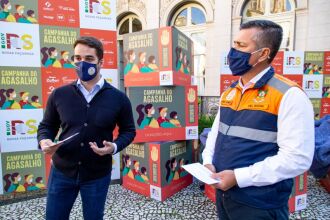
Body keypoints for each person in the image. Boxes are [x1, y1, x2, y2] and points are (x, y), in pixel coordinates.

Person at [202, 20, 314, 220]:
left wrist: (238, 177)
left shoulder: (289, 95)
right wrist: (208, 162)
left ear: (263, 53)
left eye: (242, 46)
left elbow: (298, 159)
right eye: (234, 44)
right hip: (225, 195)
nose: (233, 51)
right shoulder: (230, 92)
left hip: (260, 205)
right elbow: (216, 132)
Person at [37, 36, 136, 220]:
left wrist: (113, 147)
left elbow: (129, 131)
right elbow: (47, 126)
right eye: (77, 58)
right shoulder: (59, 94)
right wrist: (44, 140)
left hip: (97, 175)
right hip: (62, 172)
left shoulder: (119, 98)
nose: (82, 63)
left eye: (89, 59)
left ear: (101, 62)